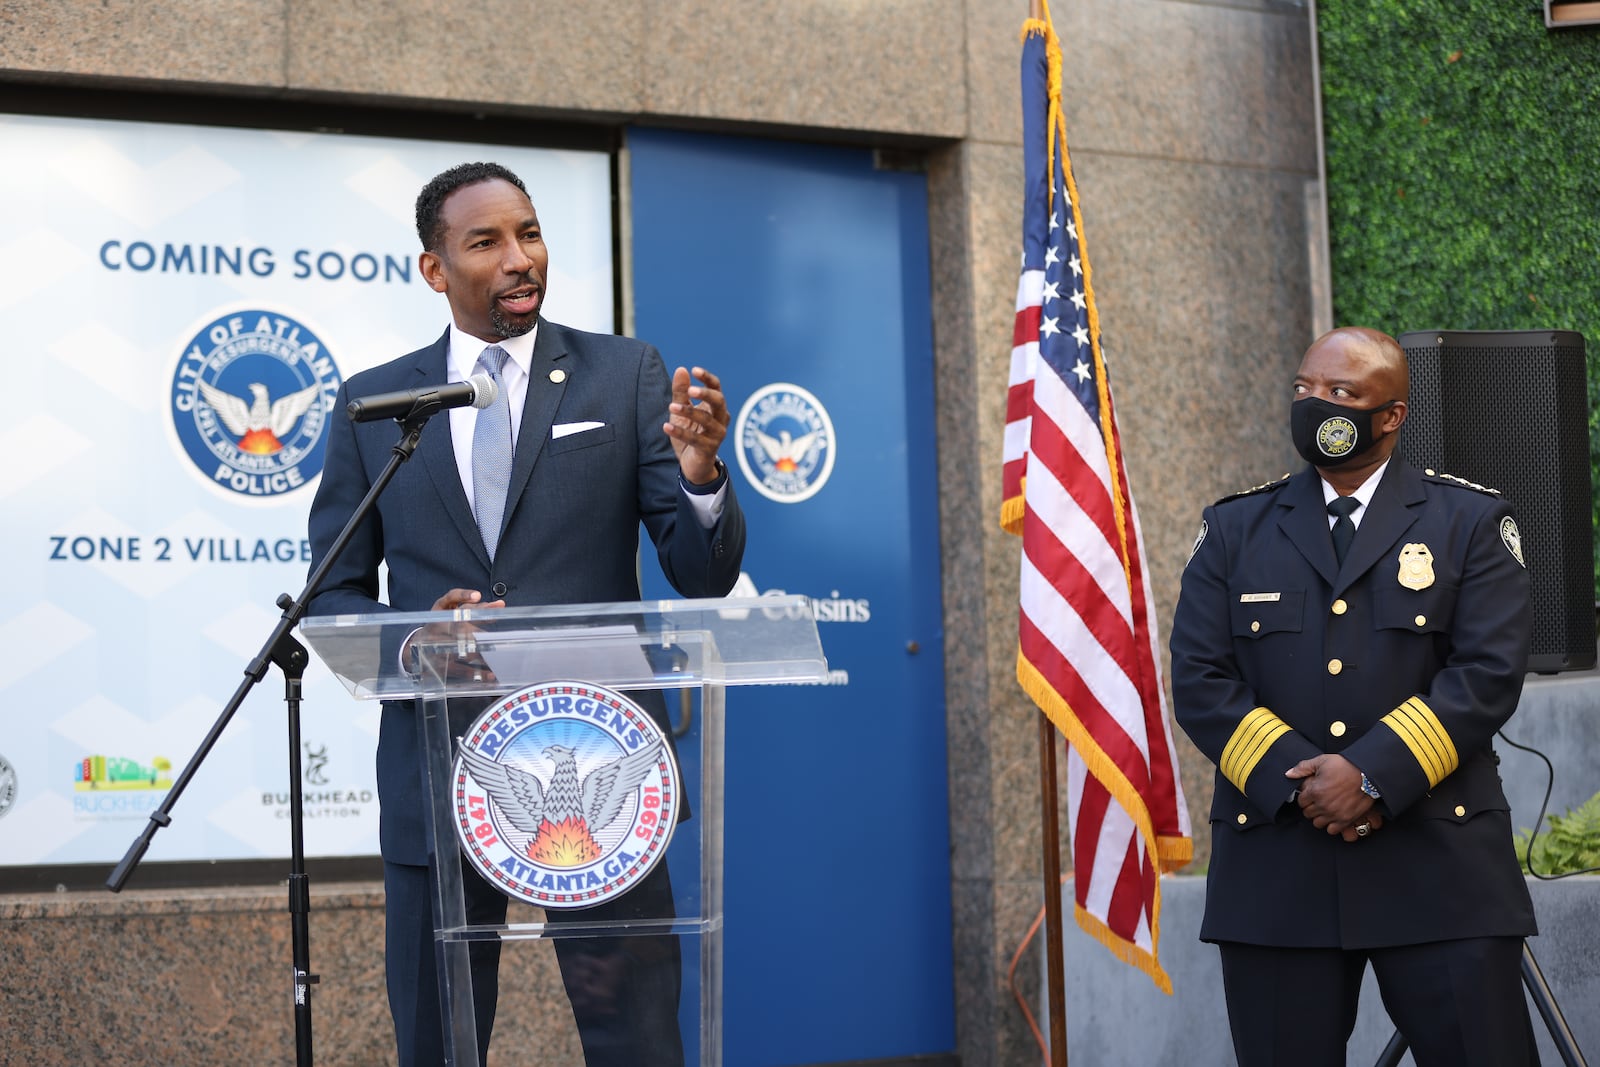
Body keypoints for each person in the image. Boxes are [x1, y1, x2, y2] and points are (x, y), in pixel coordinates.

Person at [306, 161, 745, 1067]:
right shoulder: (374, 405)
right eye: (486, 242)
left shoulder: (622, 374)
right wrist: (416, 637)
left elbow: (699, 572)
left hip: (602, 773)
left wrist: (701, 477)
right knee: (438, 1039)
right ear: (435, 269)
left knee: (637, 1039)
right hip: (442, 772)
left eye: (530, 233)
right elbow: (335, 595)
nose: (520, 258)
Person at [1169, 327, 1540, 1066]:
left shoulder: (1468, 522)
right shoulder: (1235, 529)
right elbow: (1201, 679)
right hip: (1280, 869)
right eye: (1305, 388)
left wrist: (1370, 774)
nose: (1315, 405)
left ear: (1393, 414)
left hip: (1438, 864)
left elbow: (1487, 671)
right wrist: (1305, 782)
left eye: (1340, 394)